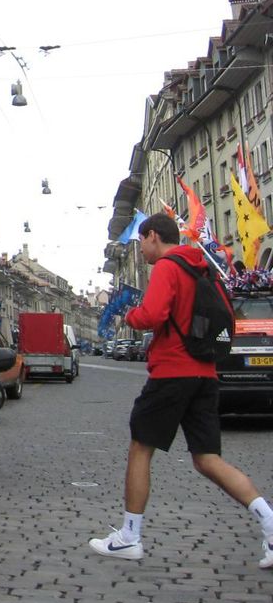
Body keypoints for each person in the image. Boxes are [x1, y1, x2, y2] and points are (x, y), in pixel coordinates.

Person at [89, 213, 273, 567]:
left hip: (172, 372)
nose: (141, 250)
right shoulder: (202, 268)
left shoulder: (168, 268)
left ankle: (129, 536)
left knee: (141, 447)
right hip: (204, 373)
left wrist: (128, 316)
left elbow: (153, 315)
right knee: (207, 459)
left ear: (153, 235)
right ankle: (269, 521)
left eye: (141, 241)